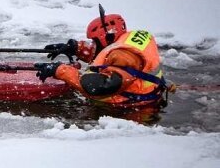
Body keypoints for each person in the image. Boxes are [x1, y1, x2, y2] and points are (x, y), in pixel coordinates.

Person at [33, 6, 169, 108]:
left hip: (130, 110)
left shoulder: (122, 55)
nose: (93, 44)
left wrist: (59, 70)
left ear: (108, 36)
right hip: (144, 97)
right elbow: (105, 55)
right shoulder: (128, 40)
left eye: (95, 41)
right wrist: (76, 48)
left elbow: (100, 87)